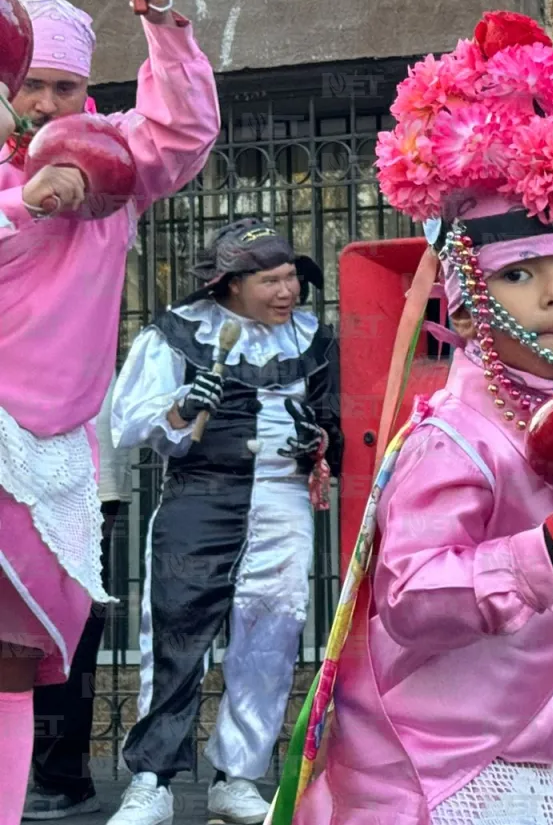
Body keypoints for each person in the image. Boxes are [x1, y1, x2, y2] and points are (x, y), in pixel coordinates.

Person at [282, 12, 553, 825]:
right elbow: (415, 595)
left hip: (530, 752)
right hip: (437, 770)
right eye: (521, 271)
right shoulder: (456, 437)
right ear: (471, 289)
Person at [0, 0, 218, 824]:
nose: (50, 100)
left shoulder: (112, 157)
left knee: (15, 658)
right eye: (34, 84)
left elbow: (184, 130)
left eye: (68, 86)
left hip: (50, 446)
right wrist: (28, 203)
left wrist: (159, 21)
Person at [107, 219, 341, 825]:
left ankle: (237, 776)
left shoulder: (315, 338)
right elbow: (127, 423)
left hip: (284, 497)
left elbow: (336, 418)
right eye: (271, 280)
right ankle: (152, 780)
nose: (287, 290)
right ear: (230, 285)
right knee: (177, 633)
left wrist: (321, 438)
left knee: (272, 634)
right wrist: (182, 406)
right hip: (199, 495)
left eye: (292, 276)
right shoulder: (174, 335)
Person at [23, 374, 131, 821]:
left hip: (79, 478)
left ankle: (61, 777)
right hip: (24, 469)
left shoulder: (74, 309)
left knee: (62, 632)